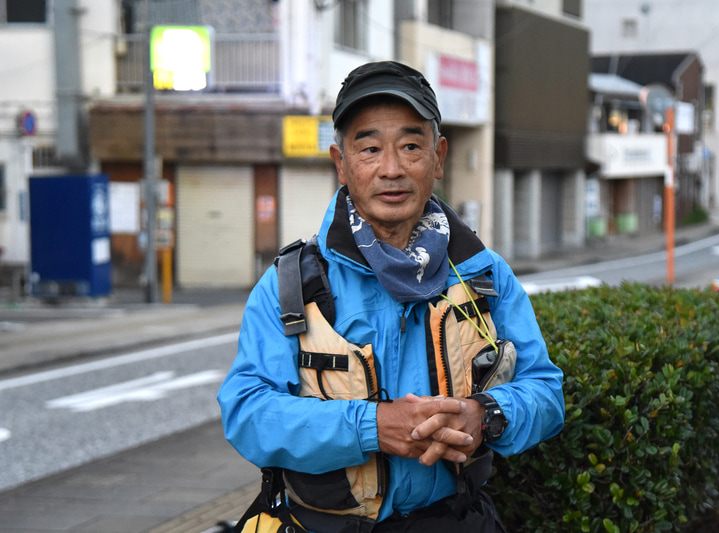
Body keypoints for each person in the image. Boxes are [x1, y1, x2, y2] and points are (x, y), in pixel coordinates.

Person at [218, 60, 565, 533]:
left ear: (438, 158)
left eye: (410, 146)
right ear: (341, 164)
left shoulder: (483, 273)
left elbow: (545, 391)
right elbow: (247, 411)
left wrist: (486, 416)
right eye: (369, 148)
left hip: (455, 520)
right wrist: (372, 426)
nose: (391, 169)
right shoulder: (290, 283)